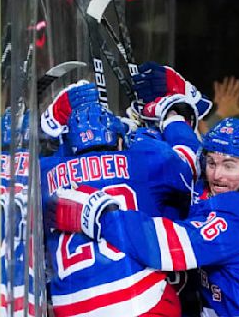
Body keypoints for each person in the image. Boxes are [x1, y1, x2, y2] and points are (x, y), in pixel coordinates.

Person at [48, 117, 239, 316]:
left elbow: (168, 247)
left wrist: (100, 216)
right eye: (212, 162)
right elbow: (196, 173)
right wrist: (175, 119)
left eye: (229, 165)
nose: (217, 175)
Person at [40, 80, 204, 316]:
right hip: (139, 299)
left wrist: (53, 119)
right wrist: (172, 118)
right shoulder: (144, 159)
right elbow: (192, 161)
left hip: (70, 306)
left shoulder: (45, 171)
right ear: (118, 140)